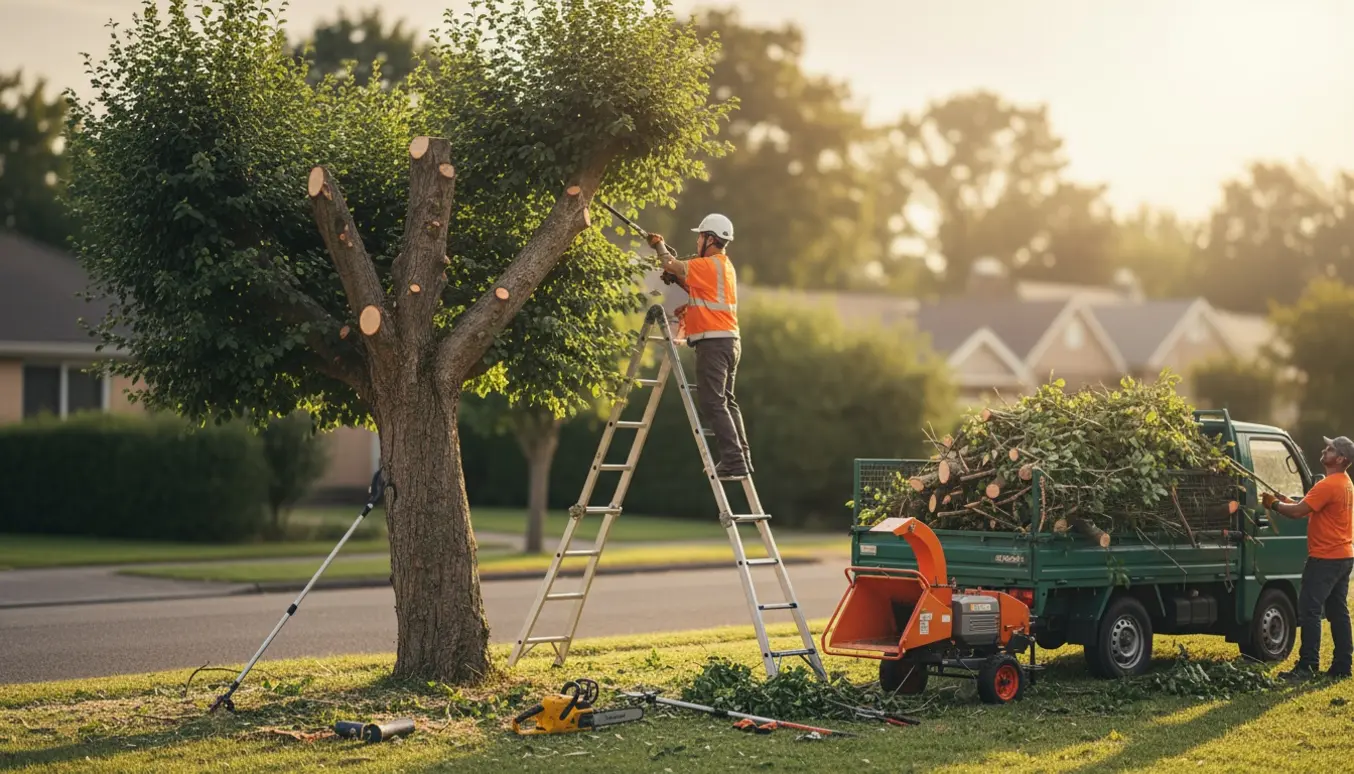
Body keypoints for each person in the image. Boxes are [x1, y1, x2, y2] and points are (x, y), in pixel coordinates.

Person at [646, 214, 751, 480]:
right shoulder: (723, 267)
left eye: (701, 235)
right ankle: (742, 458)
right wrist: (678, 278)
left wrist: (659, 246)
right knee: (727, 401)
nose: (698, 239)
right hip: (730, 341)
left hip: (713, 343)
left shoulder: (708, 265)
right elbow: (693, 284)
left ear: (711, 239)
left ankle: (733, 461)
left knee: (712, 402)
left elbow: (672, 263)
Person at [1263, 435, 1354, 680]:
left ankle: (1307, 665)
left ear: (1341, 458)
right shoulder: (1345, 483)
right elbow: (1306, 506)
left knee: (1309, 611)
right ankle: (1343, 665)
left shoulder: (1327, 485)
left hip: (1324, 558)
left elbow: (1297, 513)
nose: (1325, 449)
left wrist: (1273, 505)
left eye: (1331, 448)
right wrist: (1284, 500)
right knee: (1337, 611)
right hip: (1343, 557)